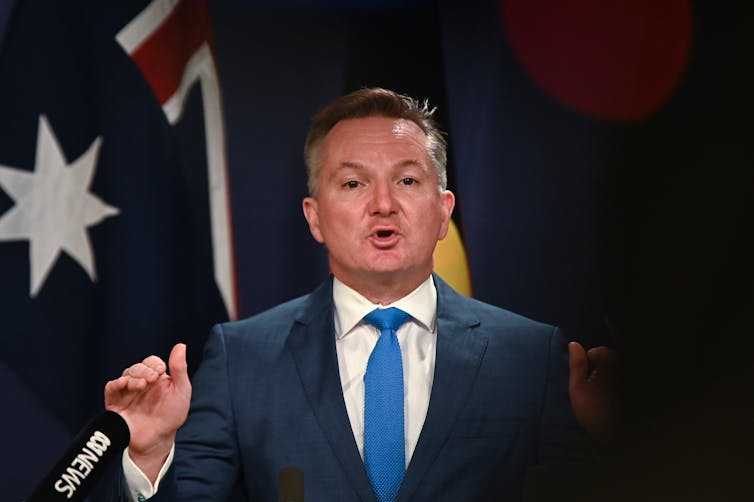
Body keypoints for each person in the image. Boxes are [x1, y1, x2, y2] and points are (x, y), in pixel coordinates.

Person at [104, 88, 613, 501]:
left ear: (442, 211)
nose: (384, 204)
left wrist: (620, 441)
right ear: (315, 216)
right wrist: (148, 458)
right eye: (353, 184)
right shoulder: (242, 358)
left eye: (408, 180)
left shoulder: (530, 355)